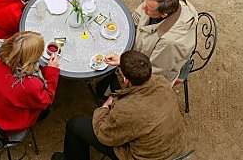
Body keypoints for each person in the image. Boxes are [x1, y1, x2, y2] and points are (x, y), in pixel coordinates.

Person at [51, 50, 187, 160]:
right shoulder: (161, 82)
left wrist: (103, 108)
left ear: (126, 79)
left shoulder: (127, 110)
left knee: (75, 125)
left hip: (145, 156)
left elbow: (104, 134)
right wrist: (122, 62)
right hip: (174, 147)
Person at [96, 0, 198, 98]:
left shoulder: (170, 43)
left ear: (164, 14)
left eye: (148, 9)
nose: (143, 7)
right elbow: (136, 18)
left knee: (111, 88)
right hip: (139, 54)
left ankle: (110, 96)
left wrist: (124, 64)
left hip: (147, 75)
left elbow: (152, 73)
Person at [0, 31, 60, 136]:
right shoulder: (29, 84)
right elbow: (47, 99)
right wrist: (51, 71)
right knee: (44, 110)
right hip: (5, 124)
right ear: (30, 59)